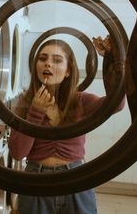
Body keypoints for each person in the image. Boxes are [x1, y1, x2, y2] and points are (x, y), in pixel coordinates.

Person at [8, 38, 124, 214]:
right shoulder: (24, 103)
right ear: (36, 66)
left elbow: (116, 105)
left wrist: (111, 61)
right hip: (36, 182)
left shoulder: (81, 101)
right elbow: (17, 153)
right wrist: (35, 113)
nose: (48, 64)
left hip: (76, 179)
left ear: (68, 70)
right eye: (43, 59)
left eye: (56, 60)